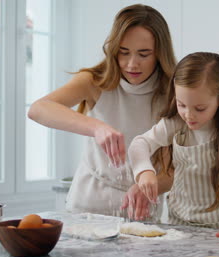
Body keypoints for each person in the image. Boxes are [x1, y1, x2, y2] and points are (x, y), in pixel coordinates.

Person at [28, 4, 176, 220]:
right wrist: (97, 127)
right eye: (123, 52)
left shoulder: (172, 94)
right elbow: (38, 109)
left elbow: (172, 170)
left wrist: (148, 187)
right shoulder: (95, 81)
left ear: (160, 53)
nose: (132, 64)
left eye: (144, 54)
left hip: (141, 206)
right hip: (88, 203)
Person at [128, 52, 219, 244]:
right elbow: (140, 144)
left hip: (217, 228)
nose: (188, 115)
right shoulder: (175, 123)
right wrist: (144, 171)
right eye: (181, 104)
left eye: (199, 108)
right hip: (177, 224)